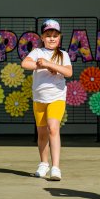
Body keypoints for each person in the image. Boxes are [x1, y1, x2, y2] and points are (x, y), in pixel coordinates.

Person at [21, 19, 72, 180]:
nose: (51, 38)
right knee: (42, 133)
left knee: (53, 128)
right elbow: (25, 64)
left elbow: (68, 72)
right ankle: (43, 164)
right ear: (42, 37)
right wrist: (40, 65)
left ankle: (56, 167)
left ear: (60, 37)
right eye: (48, 35)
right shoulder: (37, 52)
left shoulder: (63, 55)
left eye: (55, 35)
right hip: (39, 98)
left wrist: (50, 65)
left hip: (57, 97)